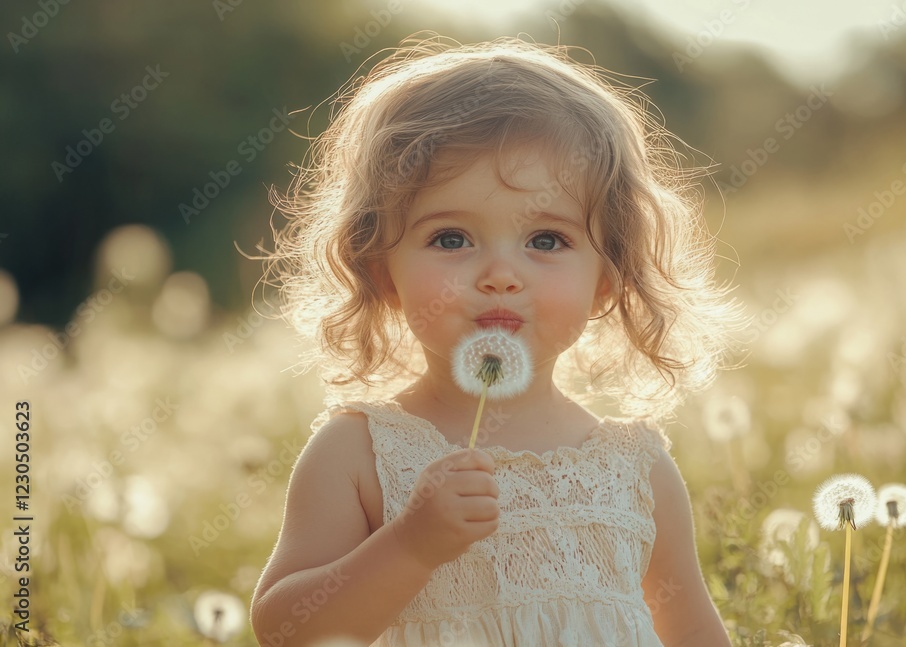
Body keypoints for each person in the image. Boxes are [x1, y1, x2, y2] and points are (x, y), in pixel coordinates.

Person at [250, 34, 742, 646]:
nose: (501, 275)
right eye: (452, 239)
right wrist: (410, 545)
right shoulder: (358, 453)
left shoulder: (637, 470)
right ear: (384, 274)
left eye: (546, 240)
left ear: (608, 281)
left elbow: (693, 632)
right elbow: (285, 628)